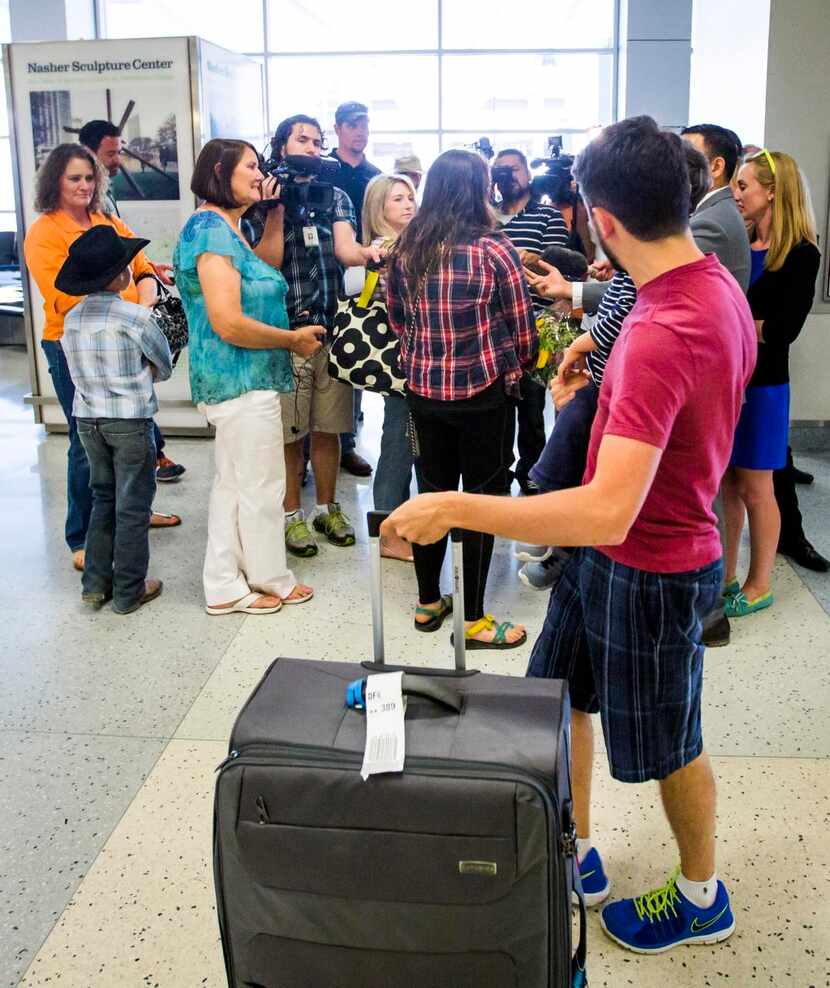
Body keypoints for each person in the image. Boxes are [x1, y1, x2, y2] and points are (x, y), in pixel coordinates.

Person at [384, 116, 756, 954]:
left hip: (654, 564)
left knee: (670, 743)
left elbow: (604, 510)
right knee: (557, 697)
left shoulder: (666, 328)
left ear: (603, 220)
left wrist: (455, 505)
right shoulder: (700, 286)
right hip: (613, 559)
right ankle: (576, 850)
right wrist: (593, 389)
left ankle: (703, 894)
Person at [387, 149, 536, 649]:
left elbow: (397, 318)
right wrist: (519, 366)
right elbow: (523, 330)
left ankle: (429, 603)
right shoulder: (495, 251)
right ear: (479, 191)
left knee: (429, 495)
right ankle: (472, 619)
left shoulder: (407, 248)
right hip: (484, 399)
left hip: (424, 394)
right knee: (479, 502)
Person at [173, 138, 322, 615]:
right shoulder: (210, 230)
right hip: (238, 377)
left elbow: (265, 266)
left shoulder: (228, 228)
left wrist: (274, 210)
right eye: (251, 167)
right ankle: (268, 577)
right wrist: (291, 339)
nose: (260, 175)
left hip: (245, 377)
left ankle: (224, 586)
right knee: (259, 486)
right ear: (221, 171)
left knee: (234, 485)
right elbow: (228, 322)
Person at [23, 143, 181, 574]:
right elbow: (63, 298)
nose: (84, 185)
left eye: (90, 178)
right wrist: (129, 313)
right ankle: (82, 536)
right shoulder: (44, 232)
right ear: (55, 181)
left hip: (127, 337)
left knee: (139, 435)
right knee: (85, 442)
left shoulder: (106, 219)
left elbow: (144, 267)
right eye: (74, 178)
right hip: (72, 346)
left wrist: (142, 310)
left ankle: (136, 514)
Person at [255, 114, 382, 559]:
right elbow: (265, 262)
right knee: (291, 432)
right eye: (300, 138)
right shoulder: (262, 195)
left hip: (332, 327)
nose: (310, 146)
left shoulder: (338, 195)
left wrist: (370, 253)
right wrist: (274, 210)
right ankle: (291, 515)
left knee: (329, 429)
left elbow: (346, 250)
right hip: (284, 330)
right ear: (281, 143)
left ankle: (328, 506)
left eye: (315, 140)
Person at [724, 149, 825, 614]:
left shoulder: (802, 254)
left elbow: (783, 331)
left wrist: (735, 319)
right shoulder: (736, 243)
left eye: (743, 186)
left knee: (756, 486)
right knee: (726, 484)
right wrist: (752, 323)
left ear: (773, 191)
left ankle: (759, 582)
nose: (735, 194)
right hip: (726, 379)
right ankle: (724, 575)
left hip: (764, 386)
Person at [56, 225, 171, 613]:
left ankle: (95, 583)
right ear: (121, 275)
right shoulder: (135, 318)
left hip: (88, 420)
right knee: (133, 505)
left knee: (102, 497)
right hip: (130, 421)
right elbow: (165, 366)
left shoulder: (71, 320)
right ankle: (128, 590)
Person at [78, 119, 186, 484]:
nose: (117, 159)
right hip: (115, 323)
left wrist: (147, 270)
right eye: (111, 153)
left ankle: (153, 458)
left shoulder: (105, 201)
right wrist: (140, 311)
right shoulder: (68, 219)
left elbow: (127, 251)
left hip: (124, 317)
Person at [681, 124, 752, 646]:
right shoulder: (713, 214)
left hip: (703, 380)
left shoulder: (710, 222)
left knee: (695, 501)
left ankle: (707, 611)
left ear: (716, 165)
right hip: (711, 376)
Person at [492, 147, 569, 494]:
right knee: (496, 405)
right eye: (500, 171)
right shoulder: (486, 217)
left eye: (513, 170)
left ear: (527, 174)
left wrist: (530, 258)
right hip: (492, 323)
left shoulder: (546, 216)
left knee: (532, 404)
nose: (508, 177)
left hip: (535, 318)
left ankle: (533, 469)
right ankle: (497, 468)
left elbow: (561, 266)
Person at [362, 173, 418, 562]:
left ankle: (398, 523)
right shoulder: (387, 249)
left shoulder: (406, 245)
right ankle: (388, 531)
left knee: (404, 438)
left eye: (411, 196)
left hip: (406, 356)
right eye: (397, 199)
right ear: (379, 208)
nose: (408, 204)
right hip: (402, 357)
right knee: (398, 440)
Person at [329, 101, 381, 478]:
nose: (359, 132)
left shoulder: (375, 177)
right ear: (338, 129)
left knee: (353, 348)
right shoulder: (322, 172)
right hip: (316, 273)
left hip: (361, 275)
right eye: (352, 125)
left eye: (364, 124)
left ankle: (345, 444)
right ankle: (309, 447)